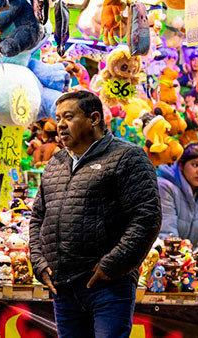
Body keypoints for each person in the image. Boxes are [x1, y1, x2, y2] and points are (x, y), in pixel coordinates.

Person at [29, 91, 161, 338]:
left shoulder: (128, 157)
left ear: (94, 118)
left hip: (108, 285)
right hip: (63, 287)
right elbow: (37, 217)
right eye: (58, 118)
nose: (60, 125)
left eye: (69, 117)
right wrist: (39, 263)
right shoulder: (56, 163)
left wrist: (112, 265)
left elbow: (147, 217)